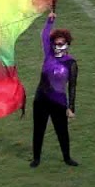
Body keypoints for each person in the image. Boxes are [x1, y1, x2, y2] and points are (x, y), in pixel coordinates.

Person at [31, 11, 78, 167]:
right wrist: (50, 21)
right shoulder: (49, 55)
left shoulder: (71, 63)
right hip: (41, 99)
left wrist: (71, 107)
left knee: (62, 131)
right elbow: (44, 36)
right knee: (39, 129)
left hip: (58, 102)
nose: (57, 46)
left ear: (67, 44)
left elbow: (72, 86)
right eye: (55, 44)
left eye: (60, 44)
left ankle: (67, 158)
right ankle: (36, 158)